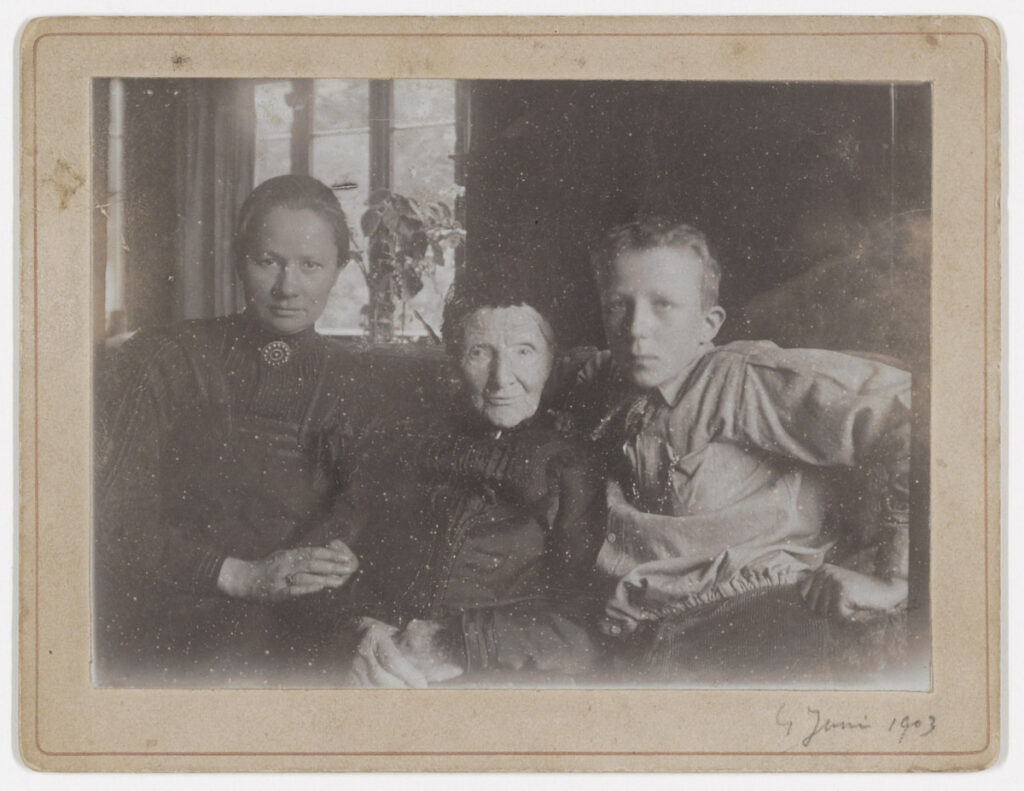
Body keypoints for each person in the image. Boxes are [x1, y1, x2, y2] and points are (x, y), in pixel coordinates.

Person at [572, 218, 912, 684]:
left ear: (707, 324)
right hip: (651, 616)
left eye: (664, 305)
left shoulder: (743, 379)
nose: (637, 329)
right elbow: (569, 366)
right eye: (618, 306)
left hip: (756, 606)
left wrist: (894, 581)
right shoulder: (615, 376)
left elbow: (910, 413)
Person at [95, 175, 365, 685]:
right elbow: (114, 521)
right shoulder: (171, 358)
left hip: (301, 615)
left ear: (338, 270)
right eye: (269, 261)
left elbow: (362, 508)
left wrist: (339, 556)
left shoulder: (352, 380)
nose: (288, 288)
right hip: (182, 612)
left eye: (311, 265)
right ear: (240, 261)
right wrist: (240, 577)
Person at [339, 277, 607, 687]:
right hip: (383, 668)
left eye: (524, 351)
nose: (502, 378)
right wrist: (359, 630)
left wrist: (457, 643)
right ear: (454, 360)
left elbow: (588, 626)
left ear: (552, 359)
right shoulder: (407, 445)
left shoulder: (571, 466)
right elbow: (339, 559)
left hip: (503, 678)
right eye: (480, 352)